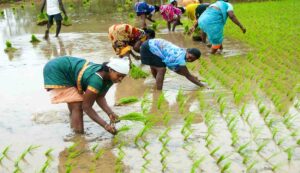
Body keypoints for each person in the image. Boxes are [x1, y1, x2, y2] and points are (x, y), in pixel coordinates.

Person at [43, 56, 130, 134]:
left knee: (74, 105)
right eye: (119, 76)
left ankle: (74, 131)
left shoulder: (110, 78)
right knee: (77, 105)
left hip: (68, 68)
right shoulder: (96, 80)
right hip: (57, 69)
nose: (120, 79)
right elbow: (86, 107)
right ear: (110, 70)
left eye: (123, 77)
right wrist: (106, 125)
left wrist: (110, 113)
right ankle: (78, 136)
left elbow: (100, 96)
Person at [140, 38, 206, 90]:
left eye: (192, 60)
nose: (189, 59)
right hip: (149, 48)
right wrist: (202, 85)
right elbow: (187, 75)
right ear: (187, 52)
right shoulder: (180, 59)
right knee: (161, 69)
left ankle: (157, 83)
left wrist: (192, 76)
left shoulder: (183, 51)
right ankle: (159, 91)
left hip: (151, 45)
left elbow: (178, 70)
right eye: (190, 57)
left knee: (155, 66)